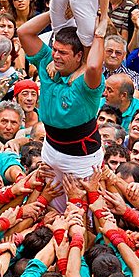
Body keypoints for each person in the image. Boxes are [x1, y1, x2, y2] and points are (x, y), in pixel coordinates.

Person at [18, 11, 105, 210]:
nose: (56, 56)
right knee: (48, 209)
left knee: (80, 214)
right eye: (55, 50)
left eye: (63, 53)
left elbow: (93, 67)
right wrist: (57, 10)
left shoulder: (87, 82)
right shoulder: (47, 62)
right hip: (50, 149)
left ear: (79, 56)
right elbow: (24, 33)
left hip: (80, 160)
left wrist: (99, 35)